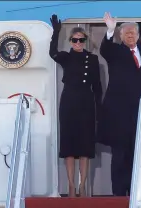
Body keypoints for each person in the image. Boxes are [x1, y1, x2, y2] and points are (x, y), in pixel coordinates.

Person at [97, 12, 141, 196]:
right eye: (126, 33)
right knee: (119, 156)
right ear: (121, 36)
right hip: (119, 115)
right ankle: (118, 195)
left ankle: (135, 192)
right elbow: (104, 50)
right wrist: (110, 30)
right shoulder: (115, 52)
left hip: (140, 116)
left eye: (133, 33)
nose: (130, 35)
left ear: (138, 36)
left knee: (137, 155)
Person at [49, 14, 102, 197]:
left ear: (85, 41)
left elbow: (98, 87)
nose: (78, 42)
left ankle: (82, 185)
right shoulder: (66, 57)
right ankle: (71, 185)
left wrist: (99, 110)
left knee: (85, 147)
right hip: (69, 101)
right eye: (75, 40)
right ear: (71, 41)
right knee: (70, 147)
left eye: (81, 40)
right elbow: (52, 53)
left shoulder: (93, 59)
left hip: (86, 102)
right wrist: (56, 32)